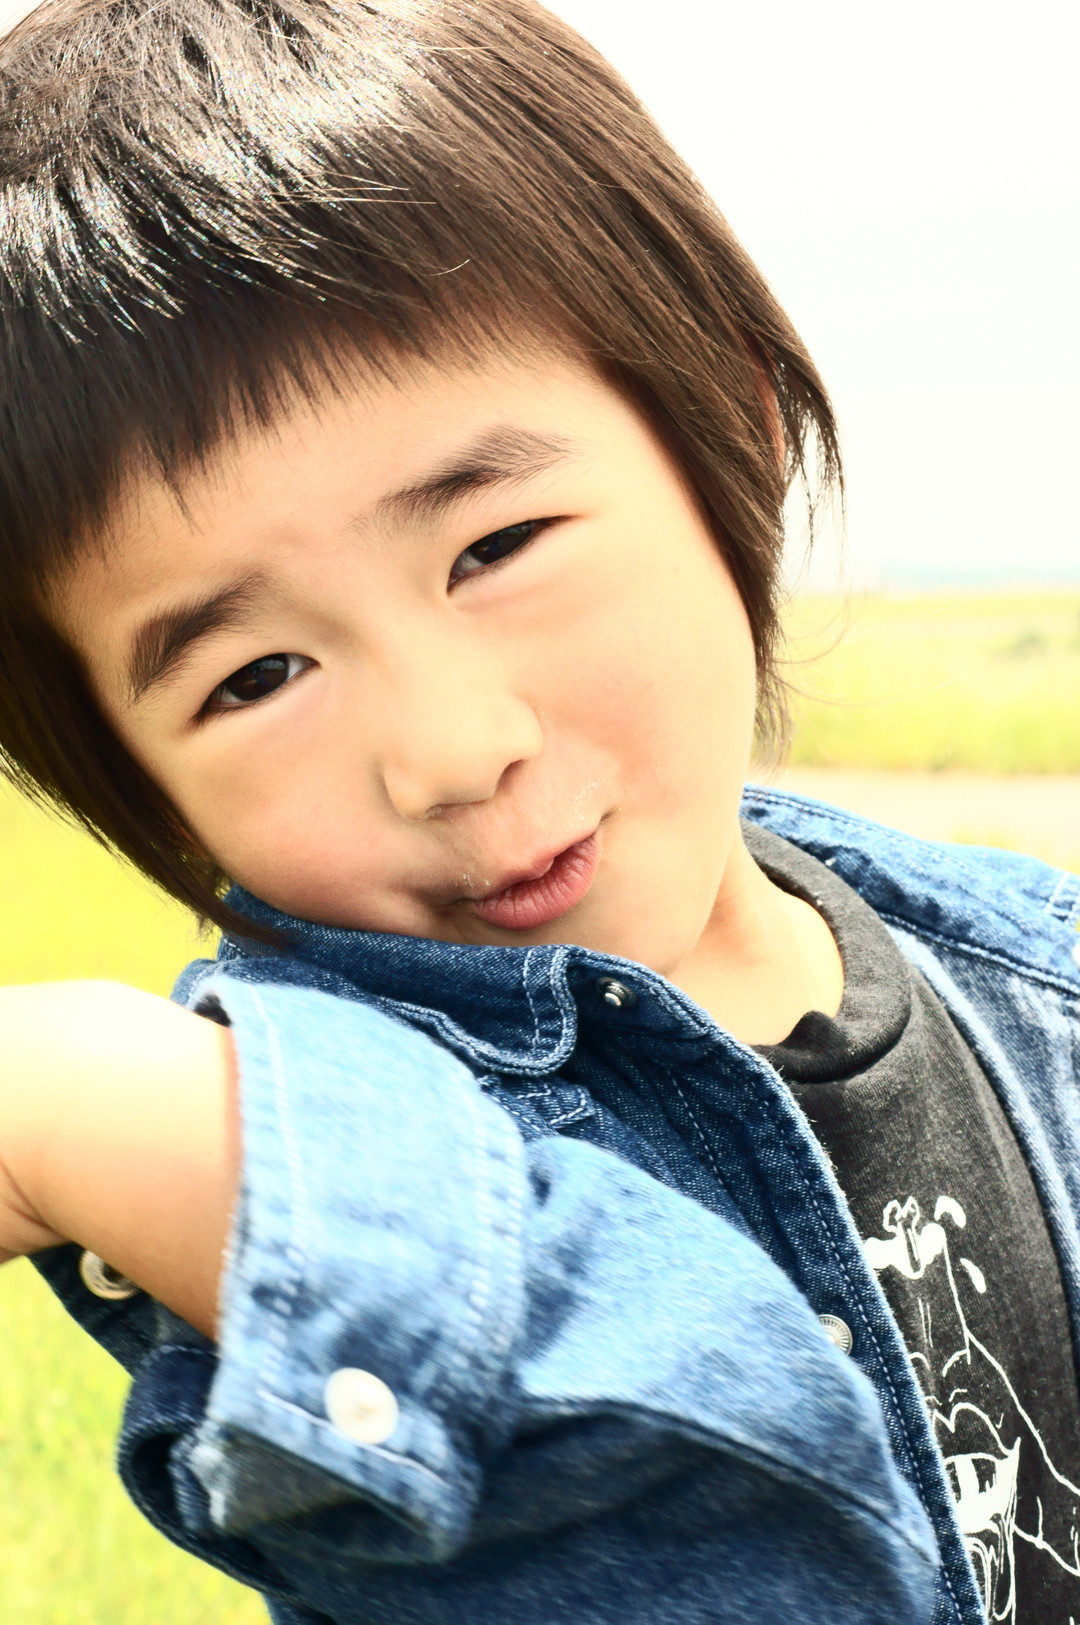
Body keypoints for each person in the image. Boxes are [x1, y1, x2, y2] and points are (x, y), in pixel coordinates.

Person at [0, 2, 1077, 1622]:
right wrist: (99, 1109)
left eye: (493, 547)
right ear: (133, 775)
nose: (450, 751)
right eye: (256, 675)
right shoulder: (295, 1159)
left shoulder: (1027, 979)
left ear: (734, 425)